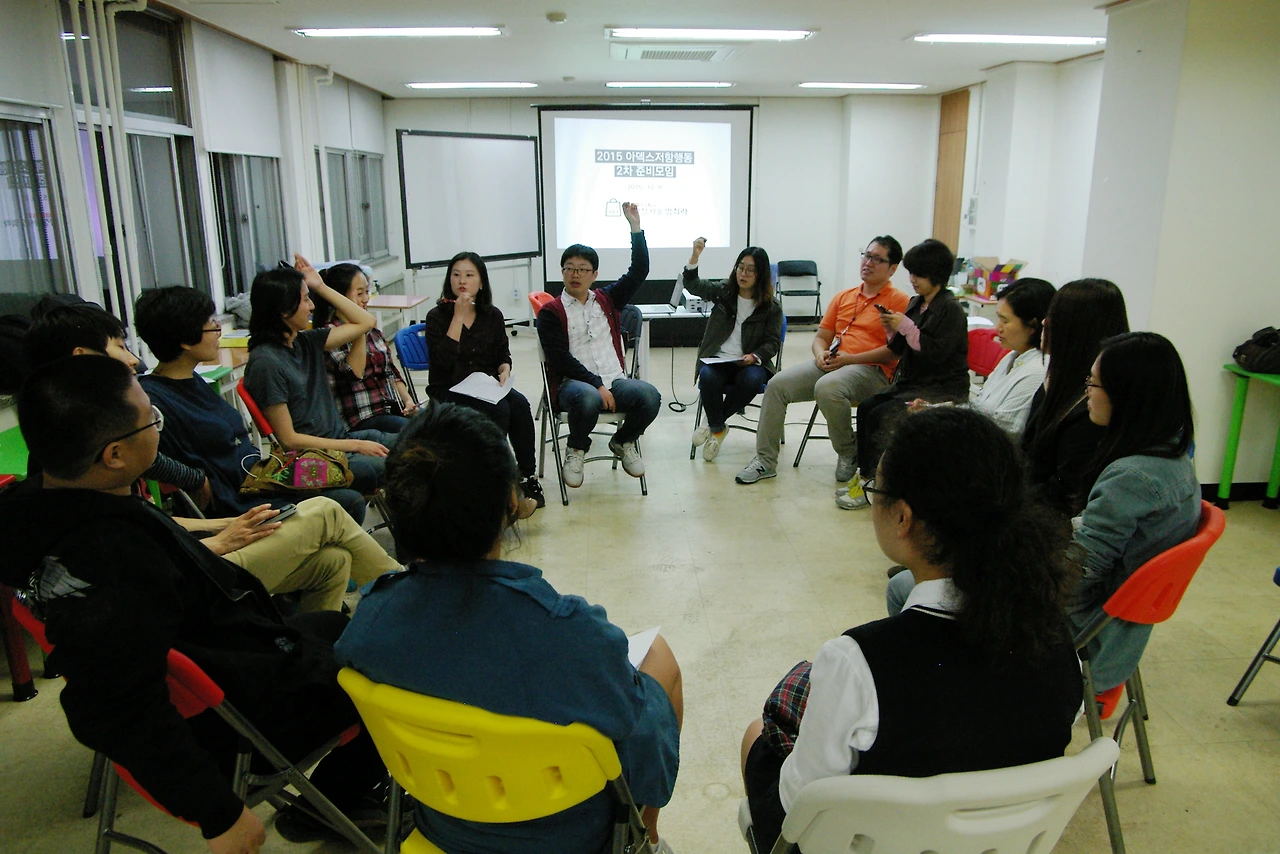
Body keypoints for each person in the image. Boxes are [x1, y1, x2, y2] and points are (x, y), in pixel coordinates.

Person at [0, 356, 391, 853]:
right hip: (236, 717)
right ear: (114, 454)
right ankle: (332, 801)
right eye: (151, 419)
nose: (157, 428)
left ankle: (336, 798)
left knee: (340, 619)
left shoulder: (44, 507)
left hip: (228, 657)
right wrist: (218, 813)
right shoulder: (110, 559)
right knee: (393, 665)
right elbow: (110, 707)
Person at [335, 403, 682, 853]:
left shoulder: (370, 621)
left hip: (443, 828)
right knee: (658, 661)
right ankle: (646, 840)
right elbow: (631, 724)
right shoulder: (569, 632)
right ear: (511, 504)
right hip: (574, 838)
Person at [739, 407, 1081, 852]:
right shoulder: (1058, 642)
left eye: (874, 489)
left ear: (903, 517)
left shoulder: (857, 661)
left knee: (758, 734)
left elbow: (793, 815)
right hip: (998, 843)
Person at [135, 285, 370, 524]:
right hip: (240, 502)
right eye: (211, 325)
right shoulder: (154, 401)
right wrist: (194, 480)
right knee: (346, 501)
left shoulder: (191, 380)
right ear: (185, 340)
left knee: (354, 474)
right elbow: (143, 458)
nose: (218, 331)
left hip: (263, 476)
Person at [1070, 331, 1200, 692]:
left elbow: (1078, 573)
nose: (1086, 393)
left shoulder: (1132, 477)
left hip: (1086, 640)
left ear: (1127, 396)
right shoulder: (1174, 455)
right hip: (1117, 636)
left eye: (1092, 383)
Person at [736, 237, 910, 486]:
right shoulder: (844, 297)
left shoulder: (900, 301)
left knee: (828, 388)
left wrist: (850, 359)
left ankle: (848, 452)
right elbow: (821, 338)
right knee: (776, 385)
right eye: (866, 255)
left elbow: (894, 352)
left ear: (892, 268)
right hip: (834, 364)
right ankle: (765, 460)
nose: (868, 262)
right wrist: (820, 354)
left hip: (873, 371)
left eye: (877, 259)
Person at [244, 254, 398, 495]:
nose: (312, 306)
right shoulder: (266, 363)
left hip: (340, 440)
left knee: (417, 442)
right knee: (401, 464)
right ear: (285, 310)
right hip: (311, 458)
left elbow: (366, 322)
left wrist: (320, 286)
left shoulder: (305, 341)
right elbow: (290, 440)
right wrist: (356, 445)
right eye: (306, 299)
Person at [22, 303, 208, 501]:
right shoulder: (78, 444)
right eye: (120, 347)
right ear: (83, 358)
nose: (134, 360)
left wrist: (194, 479)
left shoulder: (57, 423)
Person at [536, 202, 661, 487]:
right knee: (589, 398)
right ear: (562, 272)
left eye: (583, 269)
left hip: (614, 380)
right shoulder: (551, 312)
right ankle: (576, 449)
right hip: (574, 385)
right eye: (570, 269)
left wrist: (635, 228)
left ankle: (623, 441)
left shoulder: (606, 299)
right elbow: (559, 359)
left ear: (594, 275)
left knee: (650, 396)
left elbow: (639, 270)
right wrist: (597, 385)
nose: (575, 274)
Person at [837, 239, 968, 509]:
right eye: (911, 273)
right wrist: (891, 328)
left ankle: (876, 484)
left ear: (936, 275)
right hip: (911, 382)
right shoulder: (916, 303)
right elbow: (898, 349)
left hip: (940, 388)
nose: (912, 280)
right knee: (867, 408)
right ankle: (866, 476)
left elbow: (935, 354)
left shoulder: (950, 310)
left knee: (882, 416)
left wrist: (906, 327)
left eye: (919, 274)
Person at [423, 251, 542, 513]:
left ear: (481, 282)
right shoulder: (437, 316)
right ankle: (496, 483)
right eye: (456, 275)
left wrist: (504, 368)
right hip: (449, 388)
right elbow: (442, 363)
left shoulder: (492, 315)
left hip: (485, 385)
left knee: (520, 405)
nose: (461, 281)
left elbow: (502, 354)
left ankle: (526, 476)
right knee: (499, 410)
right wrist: (457, 316)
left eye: (469, 275)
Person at [1021, 278, 1130, 516]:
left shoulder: (1093, 408)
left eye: (1055, 315)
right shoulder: (1059, 382)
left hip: (1048, 519)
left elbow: (1061, 495)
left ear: (1078, 330)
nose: (1045, 322)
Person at [683, 239, 784, 462]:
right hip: (719, 359)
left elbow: (772, 342)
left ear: (761, 274)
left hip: (750, 362)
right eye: (740, 267)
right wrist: (695, 256)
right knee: (708, 377)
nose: (743, 274)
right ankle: (718, 428)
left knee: (752, 381)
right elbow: (693, 285)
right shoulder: (724, 292)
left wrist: (755, 356)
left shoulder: (771, 307)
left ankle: (712, 424)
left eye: (750, 270)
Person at [312, 262, 417, 433]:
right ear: (338, 297)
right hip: (360, 418)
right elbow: (355, 373)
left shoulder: (373, 331)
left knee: (440, 423)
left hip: (389, 409)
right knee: (419, 433)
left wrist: (407, 400)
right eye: (360, 293)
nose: (366, 298)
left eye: (367, 292)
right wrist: (360, 327)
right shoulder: (330, 334)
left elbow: (390, 371)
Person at [968, 277, 1055, 435]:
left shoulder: (1038, 370)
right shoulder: (1013, 356)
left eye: (1005, 321)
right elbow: (980, 405)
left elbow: (1005, 432)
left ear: (1033, 325)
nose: (998, 328)